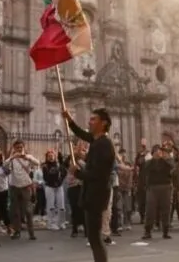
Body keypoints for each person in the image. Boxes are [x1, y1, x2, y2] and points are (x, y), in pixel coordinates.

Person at [62, 108, 116, 262]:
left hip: (96, 196)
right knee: (93, 238)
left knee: (95, 238)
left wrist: (76, 172)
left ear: (103, 123)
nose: (89, 122)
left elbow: (98, 175)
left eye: (93, 119)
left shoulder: (104, 144)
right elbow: (83, 134)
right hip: (90, 195)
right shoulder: (97, 141)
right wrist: (70, 120)